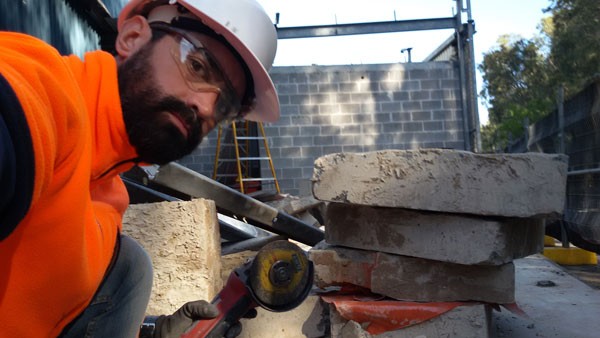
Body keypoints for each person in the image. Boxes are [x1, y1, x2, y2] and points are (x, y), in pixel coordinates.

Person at [0, 0, 279, 337]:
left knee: (131, 266)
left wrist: (152, 332)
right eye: (198, 66)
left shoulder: (108, 200)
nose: (206, 107)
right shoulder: (48, 93)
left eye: (224, 106)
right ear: (132, 37)